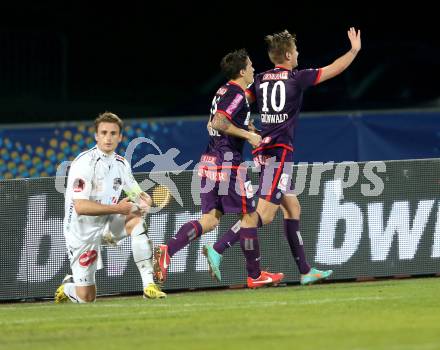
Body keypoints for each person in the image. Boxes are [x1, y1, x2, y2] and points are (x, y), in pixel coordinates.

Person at [204, 27, 361, 284]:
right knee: (264, 214)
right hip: (277, 154)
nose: (298, 54)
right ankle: (218, 248)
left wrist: (247, 127)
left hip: (263, 151)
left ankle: (305, 271)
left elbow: (239, 102)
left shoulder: (260, 79)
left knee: (292, 206)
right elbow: (333, 68)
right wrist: (354, 50)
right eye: (296, 50)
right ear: (288, 54)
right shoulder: (297, 78)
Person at [154, 49, 284, 288]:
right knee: (249, 216)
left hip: (209, 161)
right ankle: (255, 275)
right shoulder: (236, 93)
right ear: (242, 71)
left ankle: (167, 250)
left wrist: (245, 128)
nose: (254, 69)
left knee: (211, 219)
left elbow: (213, 123)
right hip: (227, 164)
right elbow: (218, 122)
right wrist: (248, 135)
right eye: (251, 66)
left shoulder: (222, 91)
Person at [54, 112, 166, 303]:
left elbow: (135, 194)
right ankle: (69, 286)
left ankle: (149, 285)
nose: (108, 137)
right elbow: (81, 206)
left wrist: (144, 201)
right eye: (104, 133)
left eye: (113, 133)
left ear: (120, 137)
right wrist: (118, 209)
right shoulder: (84, 164)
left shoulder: (121, 164)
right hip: (81, 233)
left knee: (136, 220)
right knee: (87, 297)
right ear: (96, 136)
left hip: (106, 225)